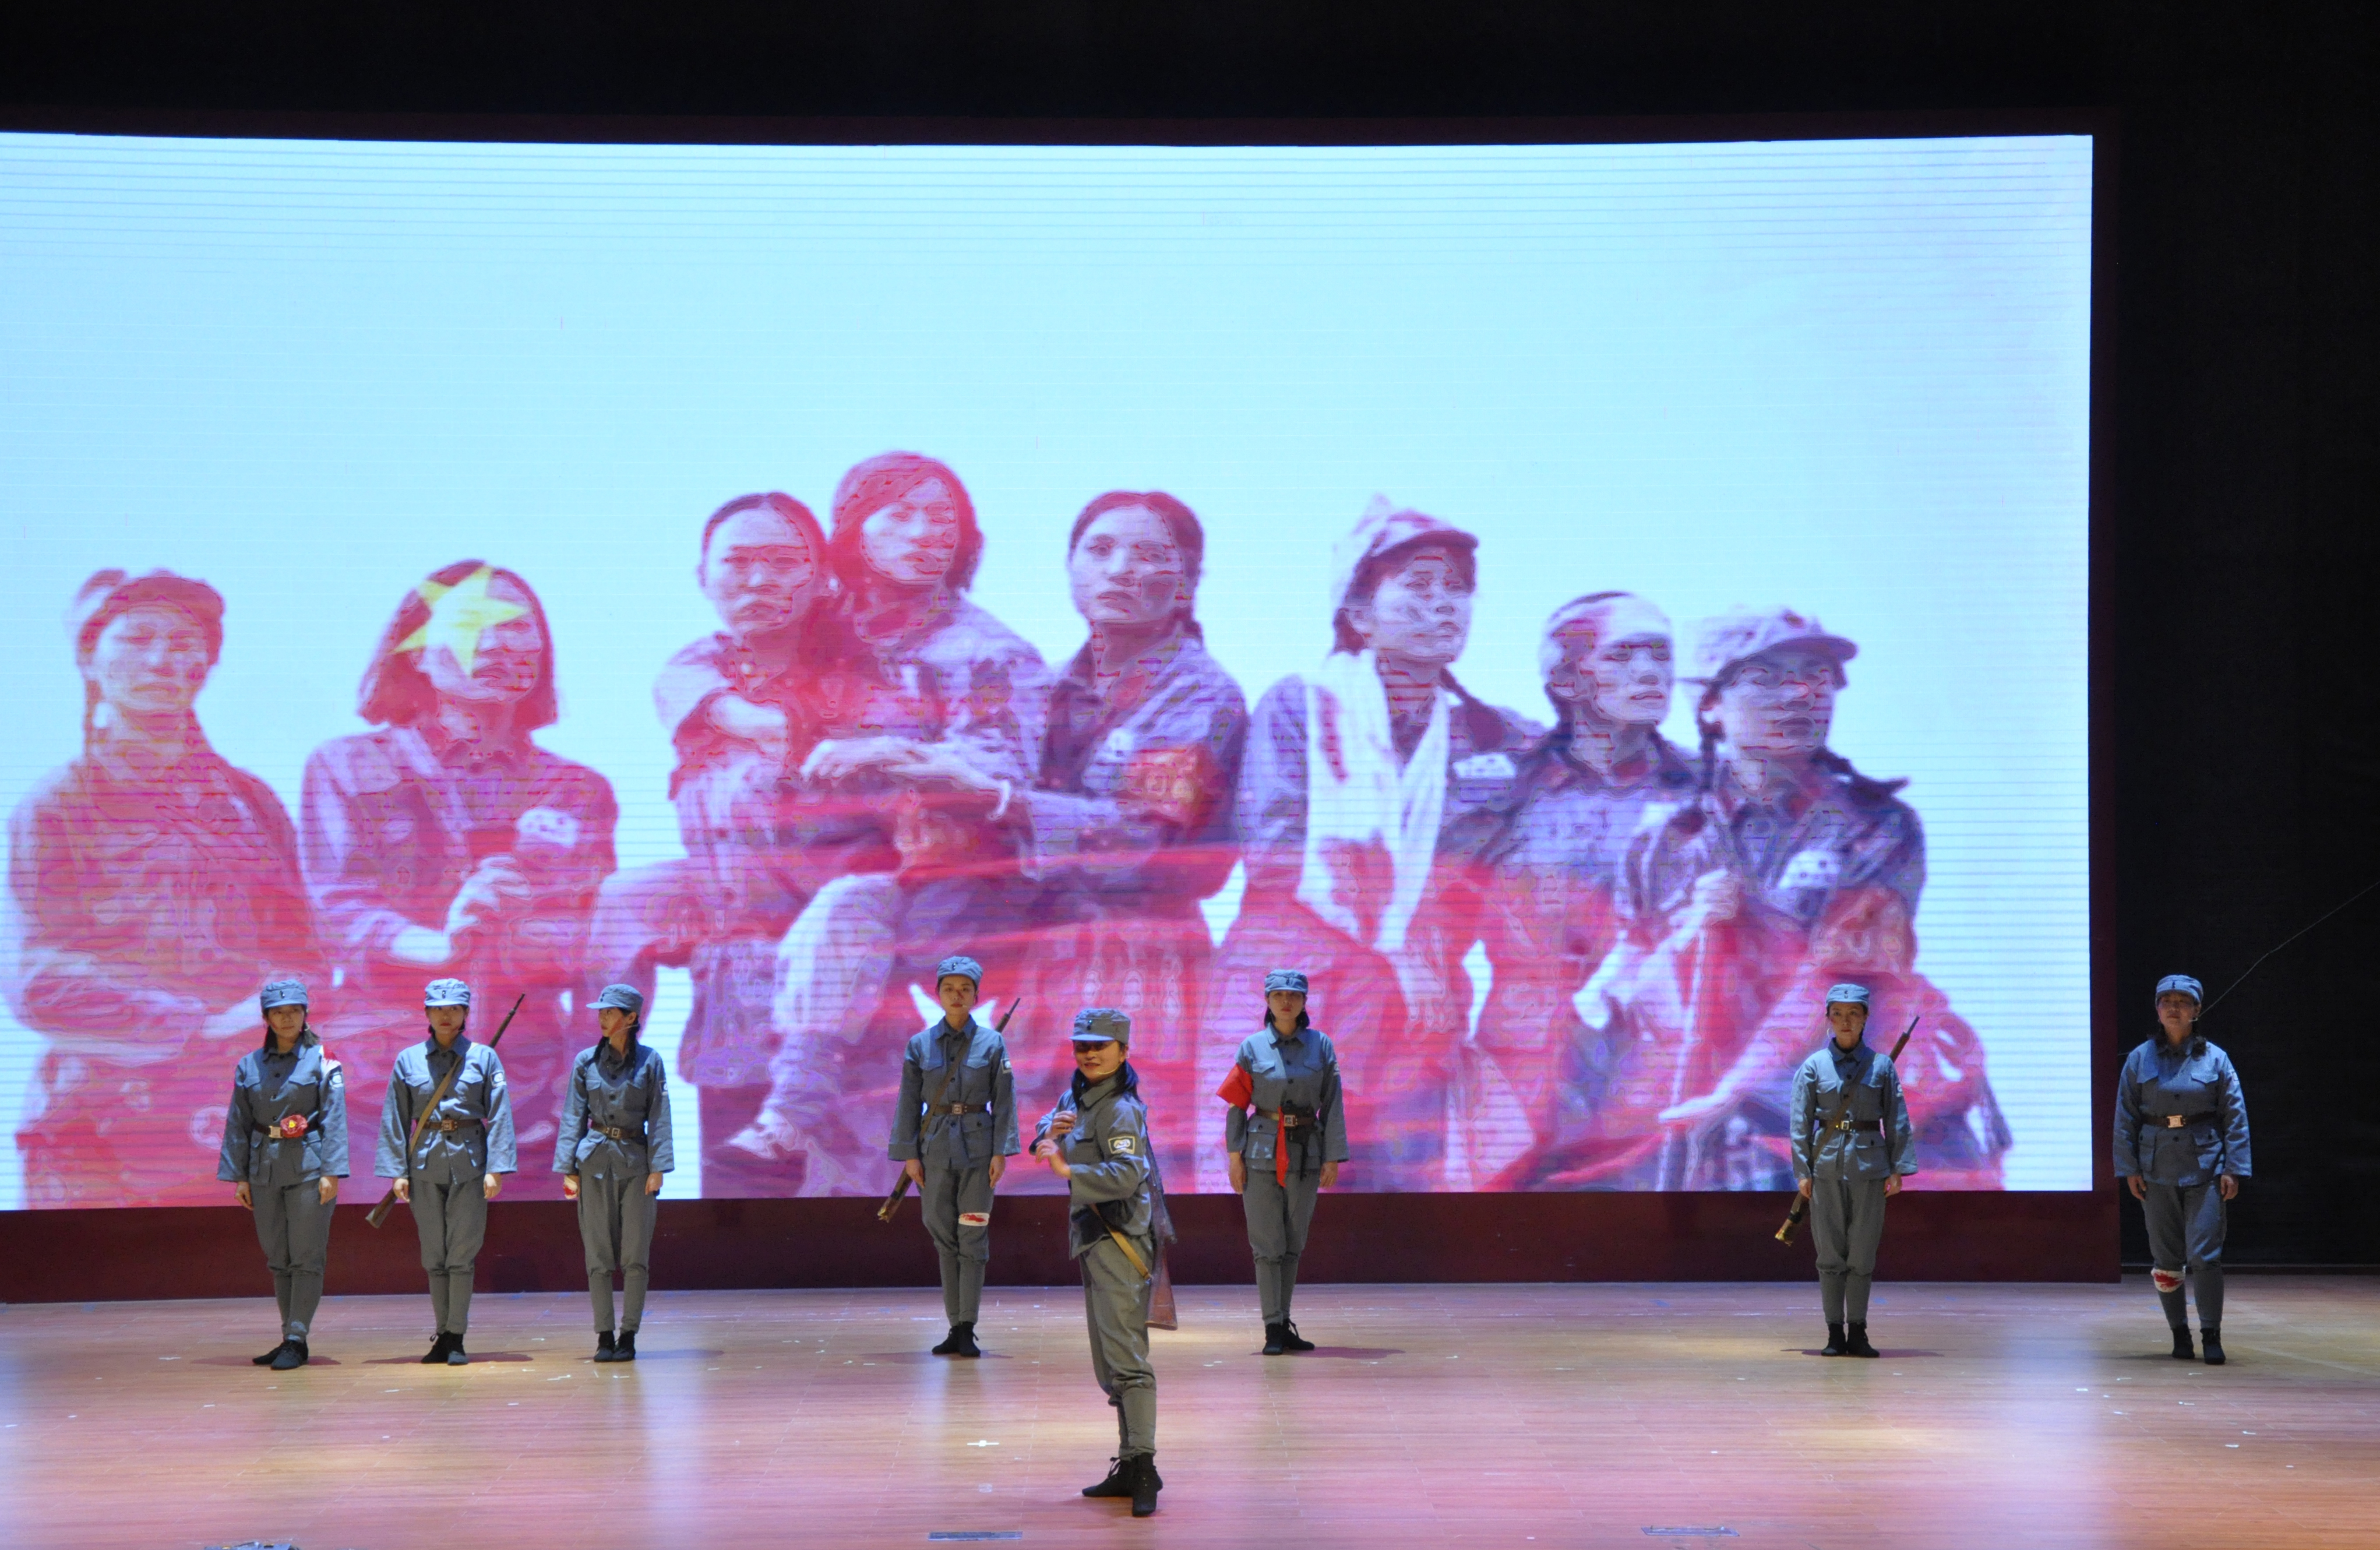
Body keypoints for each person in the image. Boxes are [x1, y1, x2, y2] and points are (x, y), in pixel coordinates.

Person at [895, 490, 1249, 1186]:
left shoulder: (1202, 695)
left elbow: (1144, 843)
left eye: (1148, 554)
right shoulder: (1044, 687)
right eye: (1100, 549)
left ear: (1186, 582)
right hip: (1037, 971)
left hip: (1141, 965)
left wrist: (1002, 801)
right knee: (1027, 1176)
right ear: (1069, 567)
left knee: (1122, 1183)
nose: (1119, 569)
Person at [732, 453, 1048, 1195]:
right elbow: (706, 667)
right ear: (853, 527)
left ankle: (796, 1107)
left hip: (947, 901)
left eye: (942, 517)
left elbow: (1004, 777)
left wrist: (888, 754)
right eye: (900, 513)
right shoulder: (813, 629)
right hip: (796, 889)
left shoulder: (990, 652)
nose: (924, 532)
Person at [1202, 498, 1536, 1192]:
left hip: (1415, 1023)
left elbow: (1493, 877)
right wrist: (1397, 942)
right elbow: (1277, 852)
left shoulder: (1492, 738)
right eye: (1417, 584)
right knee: (1267, 1205)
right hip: (1290, 998)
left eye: (1456, 588)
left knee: (1401, 1215)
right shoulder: (1300, 705)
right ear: (1358, 613)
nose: (1442, 603)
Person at [1614, 608, 2008, 1191]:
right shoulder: (1662, 841)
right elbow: (1622, 994)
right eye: (1768, 677)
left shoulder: (1875, 825)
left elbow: (1840, 982)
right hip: (1712, 1132)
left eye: (1816, 676)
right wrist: (1685, 936)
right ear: (1709, 704)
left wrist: (1734, 1089)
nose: (1801, 694)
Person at [586, 493, 889, 1195]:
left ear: (821, 576)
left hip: (843, 1012)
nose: (758, 580)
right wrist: (756, 721)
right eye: (738, 562)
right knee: (740, 1226)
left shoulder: (870, 679)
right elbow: (689, 688)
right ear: (703, 577)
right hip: (734, 1016)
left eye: (782, 562)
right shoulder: (699, 675)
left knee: (857, 1227)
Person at [5, 569, 322, 1206]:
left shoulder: (251, 803)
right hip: (99, 1130)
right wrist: (198, 1024)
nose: (160, 660)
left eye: (181, 642)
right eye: (137, 638)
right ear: (89, 659)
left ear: (206, 663)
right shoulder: (57, 805)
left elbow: (306, 949)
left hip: (250, 1116)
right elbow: (34, 977)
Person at [302, 561, 616, 1201]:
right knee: (384, 1263)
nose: (499, 641)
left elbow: (599, 947)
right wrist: (439, 945)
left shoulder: (577, 789)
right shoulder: (346, 765)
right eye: (475, 621)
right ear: (415, 648)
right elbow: (336, 912)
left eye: (519, 625)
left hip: (530, 1097)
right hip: (380, 1090)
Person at [1459, 594, 1695, 1185]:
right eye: (1621, 655)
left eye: (1660, 655)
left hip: (1655, 1062)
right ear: (1565, 679)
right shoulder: (1504, 788)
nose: (1649, 672)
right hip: (1522, 1062)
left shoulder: (1708, 790)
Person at [1033, 1008, 1161, 1517]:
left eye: (1100, 1046)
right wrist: (1049, 1131)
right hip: (1093, 1237)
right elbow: (1047, 1127)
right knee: (1109, 1363)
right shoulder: (1079, 1096)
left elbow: (1128, 1175)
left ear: (1123, 1051)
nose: (1088, 1054)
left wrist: (1067, 1169)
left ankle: (1144, 1467)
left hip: (1118, 1239)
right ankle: (1129, 1464)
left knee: (1127, 1361)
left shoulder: (1121, 1108)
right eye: (1081, 1045)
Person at [376, 978, 517, 1366]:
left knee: (461, 1255)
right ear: (426, 1012)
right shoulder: (408, 1060)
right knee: (433, 1256)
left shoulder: (484, 1058)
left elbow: (500, 1114)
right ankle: (442, 1334)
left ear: (466, 1013)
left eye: (454, 1008)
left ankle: (456, 1336)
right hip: (423, 1165)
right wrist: (396, 1171)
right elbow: (394, 1117)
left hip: (470, 1164)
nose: (445, 1015)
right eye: (438, 1008)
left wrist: (497, 1168)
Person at [2114, 973, 2251, 1364]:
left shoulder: (2216, 1059)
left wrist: (2233, 1168)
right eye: (2166, 1002)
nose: (2174, 1008)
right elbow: (2124, 1117)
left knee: (2205, 1254)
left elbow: (2235, 1116)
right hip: (2155, 1168)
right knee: (2166, 1258)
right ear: (2157, 1010)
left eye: (2182, 1002)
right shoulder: (2139, 1059)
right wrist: (2128, 1168)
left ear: (2196, 1010)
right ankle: (2179, 1334)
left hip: (2205, 1167)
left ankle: (2211, 1334)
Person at [888, 954, 1018, 1357]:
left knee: (972, 1236)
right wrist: (909, 1154)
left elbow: (1005, 1101)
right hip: (935, 1151)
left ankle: (967, 1327)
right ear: (938, 994)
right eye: (949, 989)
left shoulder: (992, 1043)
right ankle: (953, 1324)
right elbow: (908, 1104)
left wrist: (1001, 1151)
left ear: (976, 996)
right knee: (942, 1234)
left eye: (965, 989)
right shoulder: (919, 1045)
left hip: (979, 1152)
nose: (957, 995)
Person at [216, 978, 346, 1370]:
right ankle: (288, 1333)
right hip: (263, 1169)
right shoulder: (249, 1065)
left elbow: (335, 1117)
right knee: (278, 1256)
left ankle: (297, 1337)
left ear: (306, 1014)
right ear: (267, 1019)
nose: (287, 1018)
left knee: (306, 1255)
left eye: (294, 1011)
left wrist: (332, 1171)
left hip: (309, 1166)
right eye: (278, 1012)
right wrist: (240, 1176)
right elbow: (238, 1122)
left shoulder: (324, 1059)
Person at [1217, 969, 1346, 1354]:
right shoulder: (1251, 1047)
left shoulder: (1321, 1046)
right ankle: (1272, 1327)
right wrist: (1234, 1157)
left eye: (1293, 995)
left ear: (1305, 1001)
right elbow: (1237, 1106)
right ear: (1267, 1001)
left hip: (1307, 1153)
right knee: (1266, 1244)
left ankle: (1283, 1321)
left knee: (1294, 1242)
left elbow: (1333, 1104)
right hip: (1260, 1154)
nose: (1286, 1002)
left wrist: (1333, 1157)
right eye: (1278, 995)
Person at [1787, 982, 1914, 1358]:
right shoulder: (1813, 1067)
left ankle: (1857, 1331)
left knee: (1862, 1253)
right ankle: (1834, 1333)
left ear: (1866, 1018)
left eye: (1854, 1014)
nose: (1846, 1021)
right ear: (1828, 1018)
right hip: (1826, 1167)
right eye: (1838, 1014)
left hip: (1870, 1168)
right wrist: (1803, 1170)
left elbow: (1896, 1119)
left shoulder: (1882, 1067)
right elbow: (1799, 1123)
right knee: (1829, 1254)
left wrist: (1898, 1168)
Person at [556, 983, 675, 1363]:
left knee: (635, 1256)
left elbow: (659, 1116)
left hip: (636, 1164)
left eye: (610, 1012)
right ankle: (604, 1336)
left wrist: (659, 1167)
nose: (602, 1018)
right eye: (601, 1012)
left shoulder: (651, 1062)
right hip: (593, 1163)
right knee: (598, 1255)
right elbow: (573, 1115)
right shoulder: (585, 1062)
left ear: (631, 1017)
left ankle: (629, 1335)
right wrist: (568, 1169)